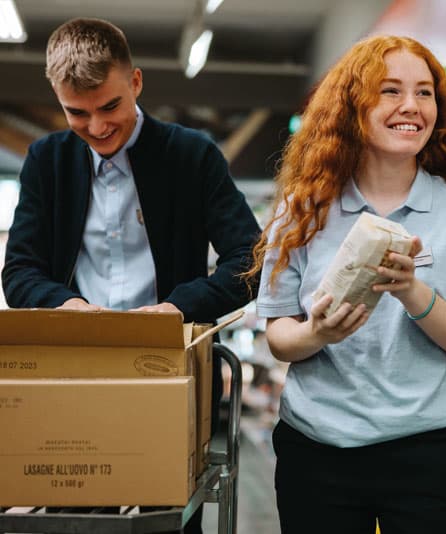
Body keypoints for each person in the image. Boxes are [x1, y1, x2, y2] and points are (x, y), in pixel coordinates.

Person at [1, 17, 260, 534]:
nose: (96, 127)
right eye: (77, 112)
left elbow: (249, 261)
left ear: (136, 83)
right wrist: (68, 308)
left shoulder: (192, 155)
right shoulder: (46, 161)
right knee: (69, 524)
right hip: (72, 378)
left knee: (165, 521)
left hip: (168, 372)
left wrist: (176, 309)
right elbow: (20, 270)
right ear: (58, 97)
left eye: (110, 107)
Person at [247, 35, 446, 534]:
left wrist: (415, 292)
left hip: (428, 454)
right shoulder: (303, 212)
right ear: (352, 106)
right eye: (389, 91)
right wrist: (316, 334)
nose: (410, 106)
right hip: (318, 451)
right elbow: (279, 333)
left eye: (425, 92)